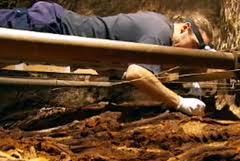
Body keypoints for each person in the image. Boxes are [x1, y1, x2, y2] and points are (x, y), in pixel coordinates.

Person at [0, 1, 214, 116]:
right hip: (47, 25)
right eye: (195, 46)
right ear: (185, 27)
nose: (190, 53)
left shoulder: (159, 28)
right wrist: (179, 102)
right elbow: (136, 73)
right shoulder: (158, 31)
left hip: (50, 27)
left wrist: (197, 69)